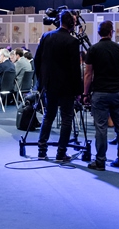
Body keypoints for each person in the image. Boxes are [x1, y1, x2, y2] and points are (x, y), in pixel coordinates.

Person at [33, 11, 82, 161]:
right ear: (72, 24)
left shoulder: (46, 36)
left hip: (49, 84)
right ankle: (61, 153)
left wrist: (41, 80)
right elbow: (75, 69)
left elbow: (37, 60)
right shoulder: (73, 41)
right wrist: (78, 91)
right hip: (67, 86)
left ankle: (42, 150)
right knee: (67, 118)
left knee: (48, 116)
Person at [82, 20, 119, 170]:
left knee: (101, 128)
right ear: (111, 32)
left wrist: (85, 93)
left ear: (98, 33)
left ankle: (100, 161)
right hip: (118, 92)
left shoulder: (93, 50)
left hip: (100, 93)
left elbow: (88, 74)